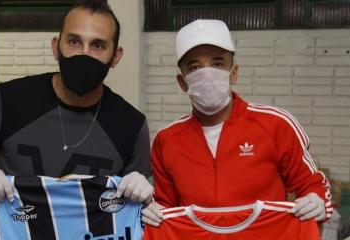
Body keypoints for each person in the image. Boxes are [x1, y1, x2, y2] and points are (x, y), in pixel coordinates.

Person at [0, 0, 153, 237]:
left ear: (115, 57)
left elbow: (136, 210)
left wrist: (145, 196)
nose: (84, 54)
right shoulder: (9, 101)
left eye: (98, 45)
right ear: (56, 47)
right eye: (74, 41)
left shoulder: (131, 125)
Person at [142, 19, 333, 227]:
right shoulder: (167, 140)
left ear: (233, 74)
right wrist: (153, 210)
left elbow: (312, 185)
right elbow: (167, 208)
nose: (207, 74)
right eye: (195, 67)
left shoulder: (276, 125)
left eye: (217, 64)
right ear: (182, 82)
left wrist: (317, 200)